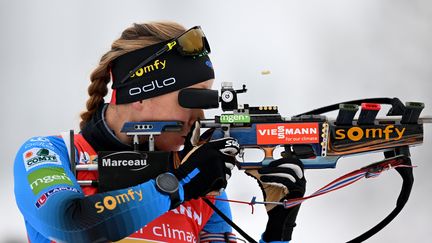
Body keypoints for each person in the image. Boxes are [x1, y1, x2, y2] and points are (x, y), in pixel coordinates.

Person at [14, 21, 306, 243]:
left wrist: (278, 228)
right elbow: (71, 221)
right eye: (193, 98)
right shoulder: (49, 153)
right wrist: (177, 186)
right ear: (138, 96)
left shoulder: (200, 183)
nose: (200, 115)